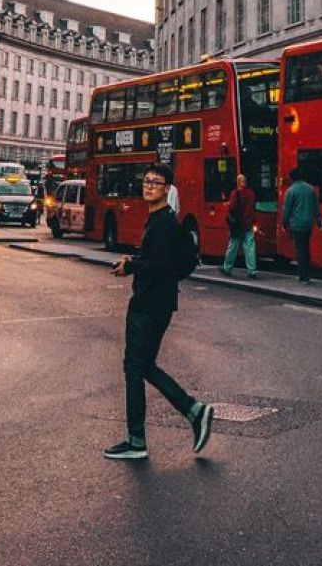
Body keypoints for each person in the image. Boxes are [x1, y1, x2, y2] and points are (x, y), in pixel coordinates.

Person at [105, 163, 213, 463]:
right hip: (156, 302)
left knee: (134, 368)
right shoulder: (160, 219)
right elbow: (156, 259)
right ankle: (194, 411)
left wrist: (132, 266)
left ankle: (137, 439)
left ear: (167, 189)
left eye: (156, 182)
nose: (149, 186)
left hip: (150, 305)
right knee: (143, 366)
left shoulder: (164, 222)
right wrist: (135, 260)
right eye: (147, 181)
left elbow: (160, 266)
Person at [281, 166, 322, 282]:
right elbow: (316, 207)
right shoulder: (311, 189)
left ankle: (302, 275)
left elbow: (287, 210)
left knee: (300, 249)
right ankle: (307, 274)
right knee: (306, 248)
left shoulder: (291, 191)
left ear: (292, 178)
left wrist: (284, 223)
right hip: (309, 223)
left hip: (296, 223)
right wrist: (319, 222)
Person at [221, 173, 258, 278]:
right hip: (248, 223)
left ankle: (227, 267)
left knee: (233, 246)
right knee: (250, 246)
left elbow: (232, 208)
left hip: (237, 224)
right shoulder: (251, 193)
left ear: (237, 183)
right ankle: (252, 270)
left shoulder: (235, 193)